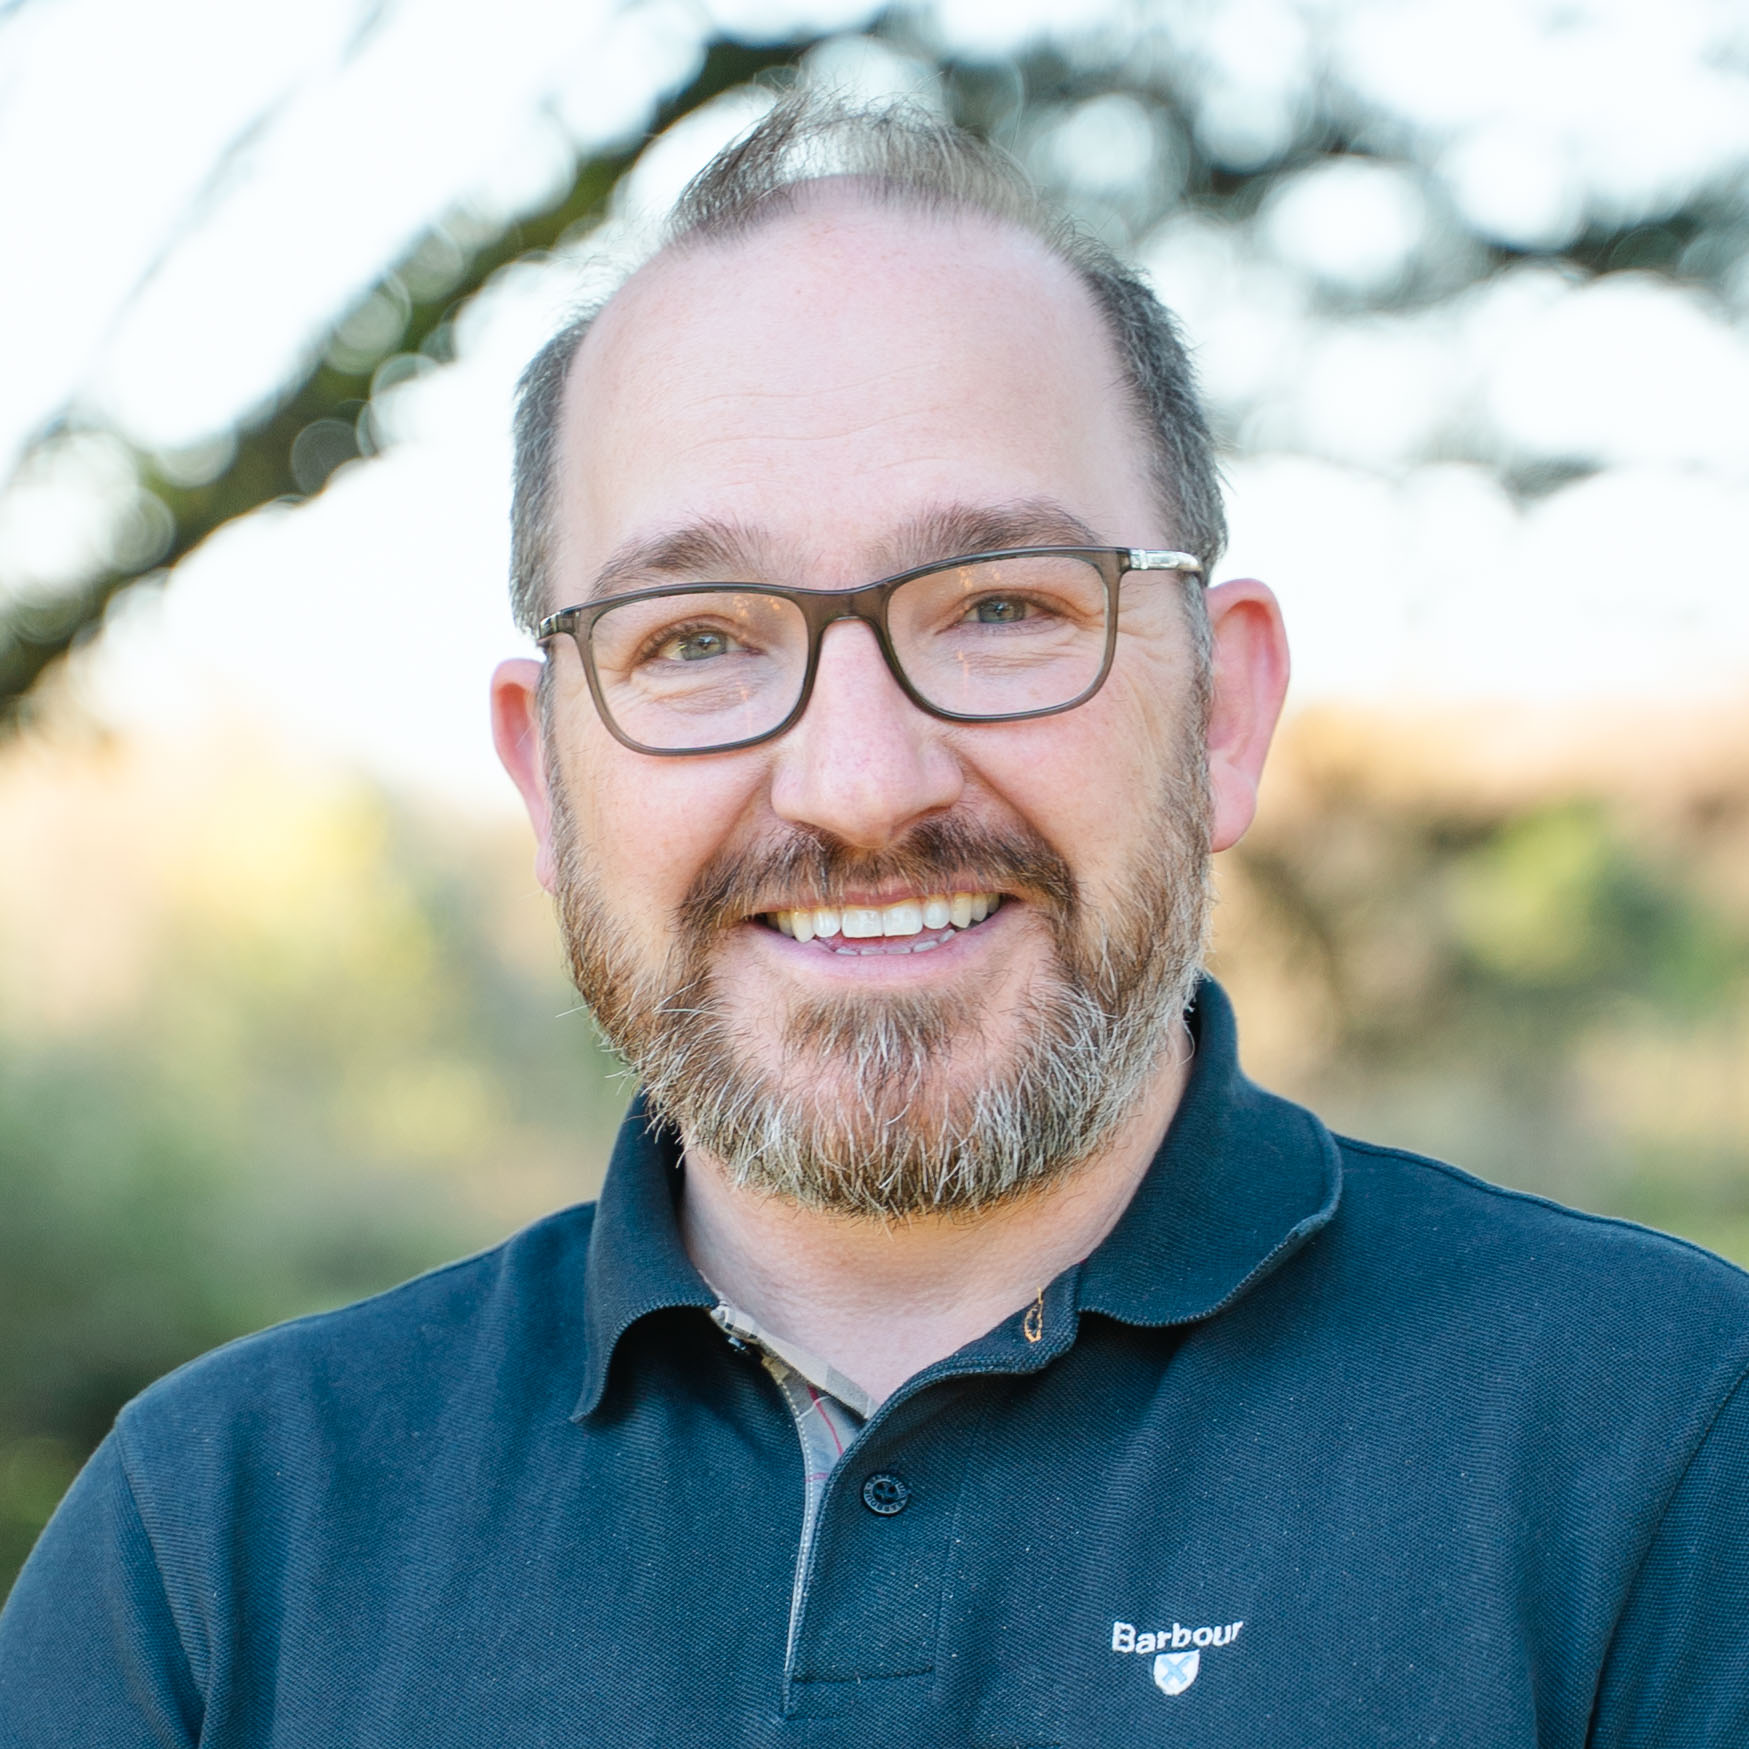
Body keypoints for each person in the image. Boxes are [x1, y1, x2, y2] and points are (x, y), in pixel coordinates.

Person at [3, 96, 1747, 1749]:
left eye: (998, 607)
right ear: (545, 776)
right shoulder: (210, 1550)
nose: (857, 782)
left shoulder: (1671, 1443)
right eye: (697, 638)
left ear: (1220, 710)